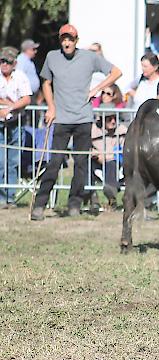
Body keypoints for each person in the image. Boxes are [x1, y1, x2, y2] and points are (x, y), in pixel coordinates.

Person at [30, 23, 122, 221]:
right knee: (54, 163)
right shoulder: (52, 57)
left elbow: (116, 72)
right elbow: (46, 82)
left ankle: (74, 204)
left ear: (76, 41)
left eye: (70, 39)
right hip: (61, 119)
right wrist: (51, 106)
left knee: (81, 164)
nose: (66, 42)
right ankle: (39, 205)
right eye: (64, 38)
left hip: (83, 119)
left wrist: (97, 89)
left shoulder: (89, 57)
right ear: (60, 40)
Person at [0, 46, 32, 208]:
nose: (4, 64)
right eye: (2, 61)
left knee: (12, 161)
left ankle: (9, 197)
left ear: (14, 64)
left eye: (8, 62)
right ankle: (0, 197)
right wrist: (9, 103)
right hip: (0, 123)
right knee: (0, 161)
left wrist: (10, 108)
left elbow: (26, 99)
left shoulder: (20, 76)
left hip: (16, 122)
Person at [91, 102, 126, 210]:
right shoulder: (92, 130)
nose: (113, 121)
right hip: (96, 161)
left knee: (112, 163)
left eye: (114, 118)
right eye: (109, 119)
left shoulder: (122, 130)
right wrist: (94, 153)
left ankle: (111, 193)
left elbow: (126, 149)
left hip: (116, 163)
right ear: (101, 119)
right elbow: (83, 147)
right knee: (83, 167)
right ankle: (94, 201)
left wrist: (107, 157)